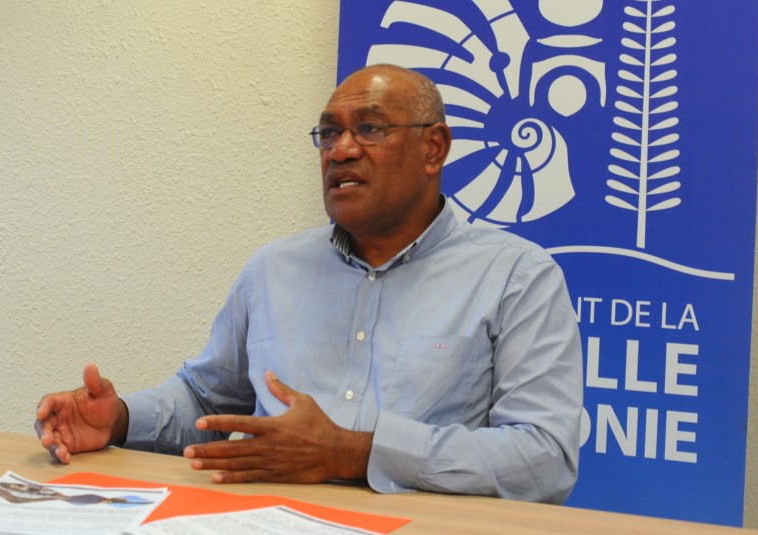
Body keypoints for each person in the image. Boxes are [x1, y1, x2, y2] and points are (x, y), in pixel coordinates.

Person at [36, 64, 583, 504]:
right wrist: (119, 419)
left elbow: (545, 458)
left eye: (369, 129)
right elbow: (203, 398)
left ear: (433, 149)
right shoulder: (273, 269)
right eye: (329, 133)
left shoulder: (517, 277)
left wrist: (353, 452)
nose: (340, 150)